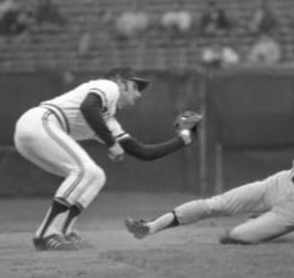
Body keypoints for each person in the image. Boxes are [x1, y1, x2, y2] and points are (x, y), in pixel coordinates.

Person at [125, 76, 294, 244]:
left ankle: (257, 223)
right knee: (215, 205)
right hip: (282, 182)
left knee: (234, 238)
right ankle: (150, 227)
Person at [14, 68, 201, 251]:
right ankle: (45, 234)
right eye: (135, 87)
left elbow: (144, 153)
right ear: (120, 82)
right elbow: (88, 107)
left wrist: (183, 140)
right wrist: (111, 143)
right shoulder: (108, 86)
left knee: (95, 175)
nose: (138, 94)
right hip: (40, 122)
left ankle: (64, 230)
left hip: (34, 134)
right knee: (83, 170)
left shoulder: (108, 120)